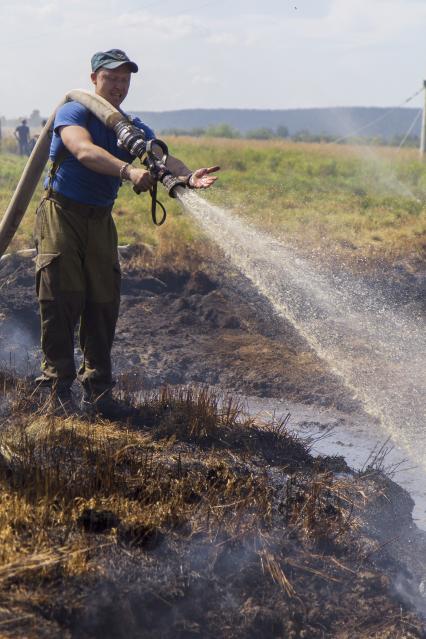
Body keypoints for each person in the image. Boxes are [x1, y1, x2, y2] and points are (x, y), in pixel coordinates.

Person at [34, 48, 219, 416]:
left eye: (124, 79)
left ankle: (99, 393)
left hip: (100, 219)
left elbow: (161, 157)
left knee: (103, 302)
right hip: (62, 212)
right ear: (94, 79)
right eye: (111, 78)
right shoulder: (74, 111)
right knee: (62, 295)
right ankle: (55, 392)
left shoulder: (132, 128)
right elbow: (83, 150)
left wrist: (185, 176)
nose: (118, 86)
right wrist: (129, 172)